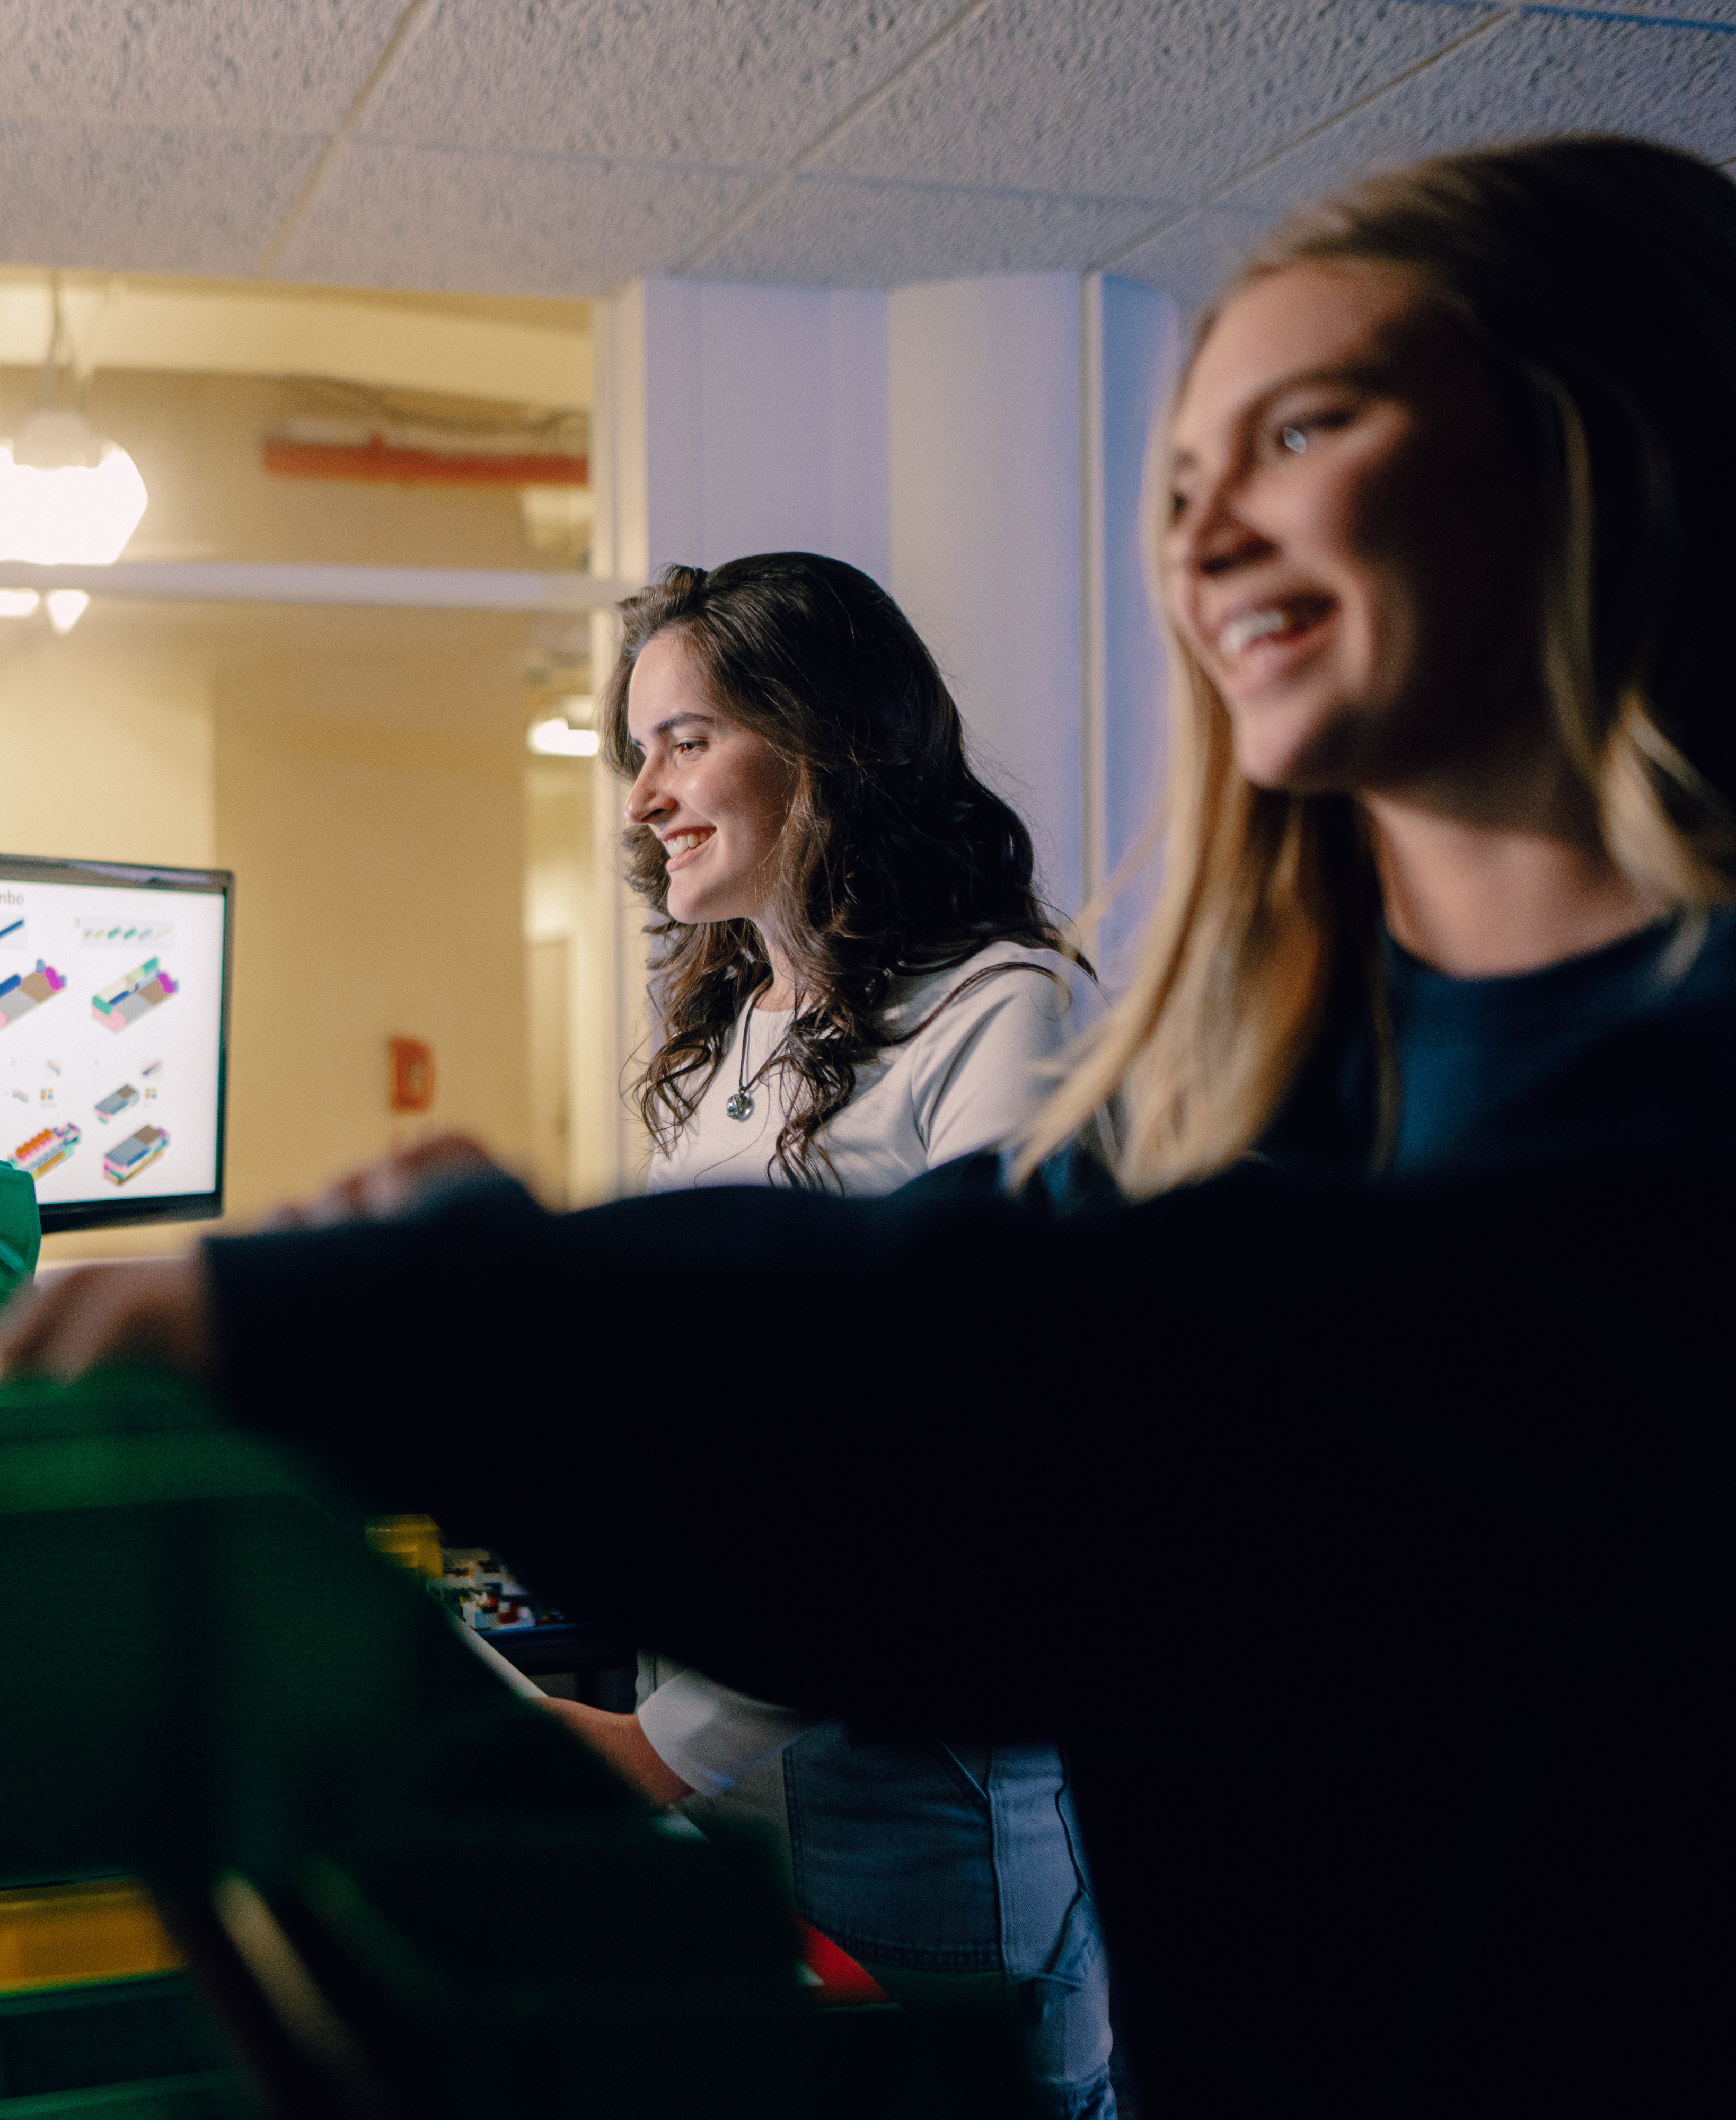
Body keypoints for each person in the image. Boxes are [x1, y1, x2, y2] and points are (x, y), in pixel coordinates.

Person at [0, 135, 1736, 2117]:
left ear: (1609, 449)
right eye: (1175, 480)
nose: (1205, 530)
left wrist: (427, 1318)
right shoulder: (1269, 1068)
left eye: (1302, 429)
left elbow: (1096, 1385)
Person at [557, 551, 1111, 2117]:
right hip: (733, 1753)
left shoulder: (1006, 1014)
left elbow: (959, 1457)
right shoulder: (737, 1038)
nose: (647, 795)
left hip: (907, 1793)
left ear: (831, 741)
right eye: (636, 752)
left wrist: (668, 1747)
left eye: (686, 739)